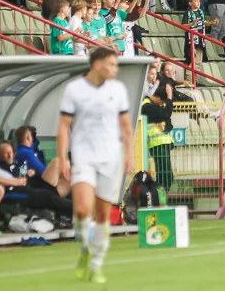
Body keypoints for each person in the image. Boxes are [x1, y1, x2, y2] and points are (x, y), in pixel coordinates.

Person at [57, 47, 135, 284]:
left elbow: (125, 126)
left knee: (102, 214)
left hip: (111, 157)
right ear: (97, 64)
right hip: (83, 155)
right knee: (82, 209)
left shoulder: (118, 90)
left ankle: (97, 264)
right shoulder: (74, 89)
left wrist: (129, 154)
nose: (115, 69)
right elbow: (64, 125)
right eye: (111, 64)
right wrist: (63, 158)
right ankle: (84, 250)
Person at [141, 86, 175, 193]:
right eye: (163, 102)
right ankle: (159, 196)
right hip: (157, 145)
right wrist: (169, 98)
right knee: (164, 176)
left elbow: (169, 121)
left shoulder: (156, 106)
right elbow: (166, 114)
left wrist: (166, 128)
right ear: (158, 98)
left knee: (167, 176)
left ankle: (161, 197)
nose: (162, 104)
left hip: (163, 144)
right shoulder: (146, 106)